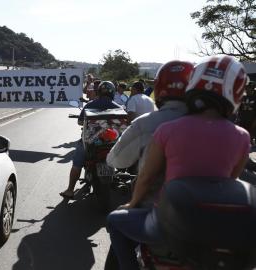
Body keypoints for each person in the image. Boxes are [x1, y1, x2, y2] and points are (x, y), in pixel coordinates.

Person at [106, 55, 250, 270]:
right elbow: (231, 182)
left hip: (167, 221)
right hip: (213, 226)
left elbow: (146, 176)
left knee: (115, 221)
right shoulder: (242, 136)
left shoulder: (168, 129)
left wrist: (132, 203)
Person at [107, 61, 194, 193]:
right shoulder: (216, 125)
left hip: (158, 203)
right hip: (207, 203)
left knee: (117, 215)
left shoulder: (144, 123)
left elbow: (116, 160)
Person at [60, 81, 123, 199]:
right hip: (111, 142)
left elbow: (80, 121)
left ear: (98, 92)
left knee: (77, 163)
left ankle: (70, 190)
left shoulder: (90, 105)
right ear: (112, 92)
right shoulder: (118, 107)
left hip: (90, 141)